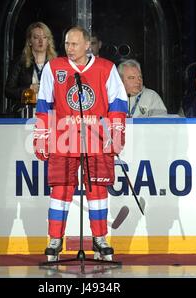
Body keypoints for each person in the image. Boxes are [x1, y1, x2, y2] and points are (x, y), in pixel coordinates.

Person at [33, 26, 128, 261]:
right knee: (60, 189)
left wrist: (116, 134)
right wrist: (41, 135)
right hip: (64, 138)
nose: (69, 48)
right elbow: (44, 103)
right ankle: (55, 240)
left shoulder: (106, 68)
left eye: (74, 44)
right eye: (66, 44)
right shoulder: (54, 68)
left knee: (97, 189)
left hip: (96, 139)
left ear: (88, 45)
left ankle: (100, 238)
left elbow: (118, 102)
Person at [5, 21, 57, 117]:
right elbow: (8, 90)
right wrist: (29, 89)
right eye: (36, 37)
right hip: (26, 113)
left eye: (44, 37)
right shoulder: (20, 62)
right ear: (29, 41)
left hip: (50, 112)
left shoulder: (56, 64)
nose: (41, 41)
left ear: (48, 41)